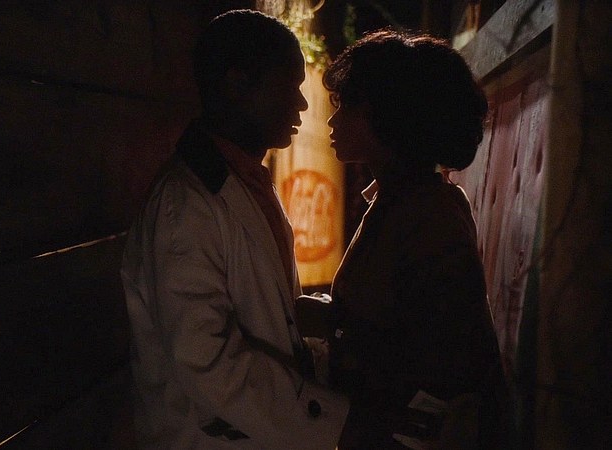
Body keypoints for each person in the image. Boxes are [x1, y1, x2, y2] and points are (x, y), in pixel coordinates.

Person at [120, 9, 349, 449]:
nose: (302, 104)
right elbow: (206, 360)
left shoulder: (242, 183)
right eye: (289, 86)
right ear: (238, 85)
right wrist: (339, 423)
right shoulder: (186, 204)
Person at [319, 29, 511, 449]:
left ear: (386, 115)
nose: (333, 120)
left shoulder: (428, 214)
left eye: (348, 105)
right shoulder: (397, 200)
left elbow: (445, 359)